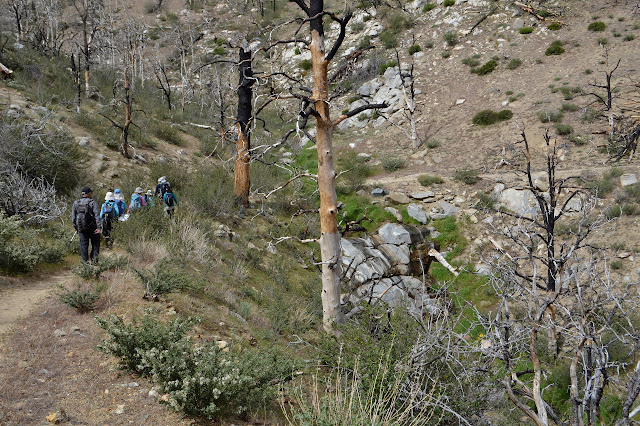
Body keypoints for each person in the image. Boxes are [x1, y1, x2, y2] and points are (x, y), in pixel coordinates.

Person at [71, 186, 101, 263]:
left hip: (81, 227)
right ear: (89, 194)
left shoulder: (76, 203)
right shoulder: (92, 202)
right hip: (92, 227)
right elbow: (97, 215)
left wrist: (76, 227)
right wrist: (99, 227)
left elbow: (73, 217)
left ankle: (85, 262)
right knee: (95, 243)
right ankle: (94, 260)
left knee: (83, 245)